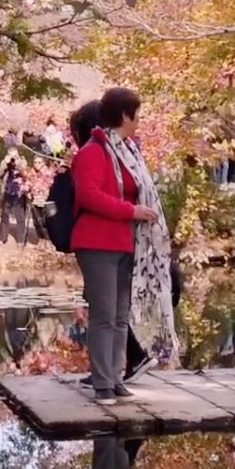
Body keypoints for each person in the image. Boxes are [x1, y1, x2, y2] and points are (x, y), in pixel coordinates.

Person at [71, 87, 170, 404]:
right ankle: (102, 381)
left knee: (120, 315)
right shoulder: (92, 152)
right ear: (124, 116)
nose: (139, 122)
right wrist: (132, 211)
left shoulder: (127, 152)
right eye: (136, 115)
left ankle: (115, 376)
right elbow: (89, 196)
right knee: (103, 314)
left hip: (126, 241)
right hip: (97, 241)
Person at [0, 152, 31, 245]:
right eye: (11, 155)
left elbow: (26, 175)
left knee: (20, 217)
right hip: (7, 192)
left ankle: (20, 240)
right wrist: (5, 164)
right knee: (4, 216)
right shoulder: (5, 163)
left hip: (19, 193)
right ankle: (3, 238)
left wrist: (18, 164)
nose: (13, 158)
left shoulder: (23, 161)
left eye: (15, 156)